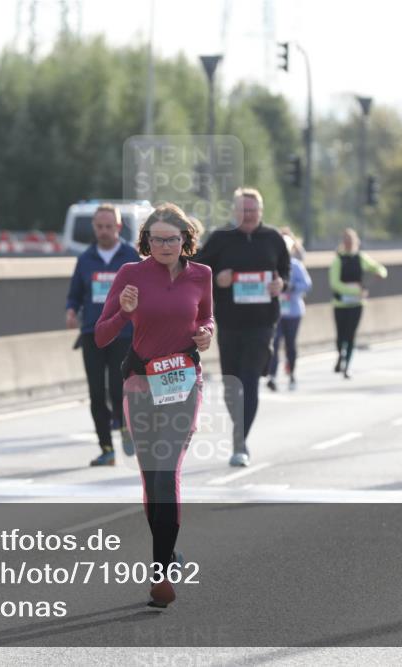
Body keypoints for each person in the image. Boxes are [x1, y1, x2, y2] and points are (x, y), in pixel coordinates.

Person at [95, 203, 214, 609]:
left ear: (186, 241)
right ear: (146, 241)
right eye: (157, 239)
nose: (164, 245)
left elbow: (206, 320)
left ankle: (160, 573)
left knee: (167, 473)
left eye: (172, 238)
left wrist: (205, 334)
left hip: (183, 383)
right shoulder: (131, 275)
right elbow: (101, 335)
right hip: (141, 384)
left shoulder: (202, 275)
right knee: (151, 480)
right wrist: (125, 312)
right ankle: (169, 556)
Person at [195, 187, 289, 467]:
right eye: (243, 210)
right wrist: (217, 280)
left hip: (263, 322)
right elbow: (199, 271)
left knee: (249, 382)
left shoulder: (273, 238)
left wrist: (280, 283)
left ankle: (239, 442)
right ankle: (240, 434)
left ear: (260, 212)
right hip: (229, 322)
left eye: (252, 210)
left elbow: (286, 270)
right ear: (234, 212)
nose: (248, 215)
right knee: (230, 385)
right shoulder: (221, 239)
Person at [66, 203, 141, 465]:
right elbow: (75, 294)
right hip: (92, 333)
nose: (104, 231)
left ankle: (126, 427)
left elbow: (146, 292)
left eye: (109, 226)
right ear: (94, 228)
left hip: (123, 333)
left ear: (119, 227)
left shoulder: (131, 257)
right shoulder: (85, 259)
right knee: (97, 392)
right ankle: (107, 448)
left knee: (119, 388)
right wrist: (71, 311)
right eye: (100, 227)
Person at [329, 228, 388, 379]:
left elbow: (379, 268)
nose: (349, 243)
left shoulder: (361, 258)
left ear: (356, 242)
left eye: (351, 240)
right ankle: (340, 355)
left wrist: (380, 273)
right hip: (340, 304)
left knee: (351, 335)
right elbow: (334, 283)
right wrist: (355, 291)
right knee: (340, 336)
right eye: (346, 241)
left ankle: (347, 366)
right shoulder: (338, 260)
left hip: (356, 304)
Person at [267, 231, 312, 391]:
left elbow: (307, 284)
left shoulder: (296, 265)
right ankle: (272, 375)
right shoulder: (270, 264)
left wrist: (292, 287)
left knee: (290, 344)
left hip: (293, 312)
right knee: (274, 343)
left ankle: (292, 373)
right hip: (276, 312)